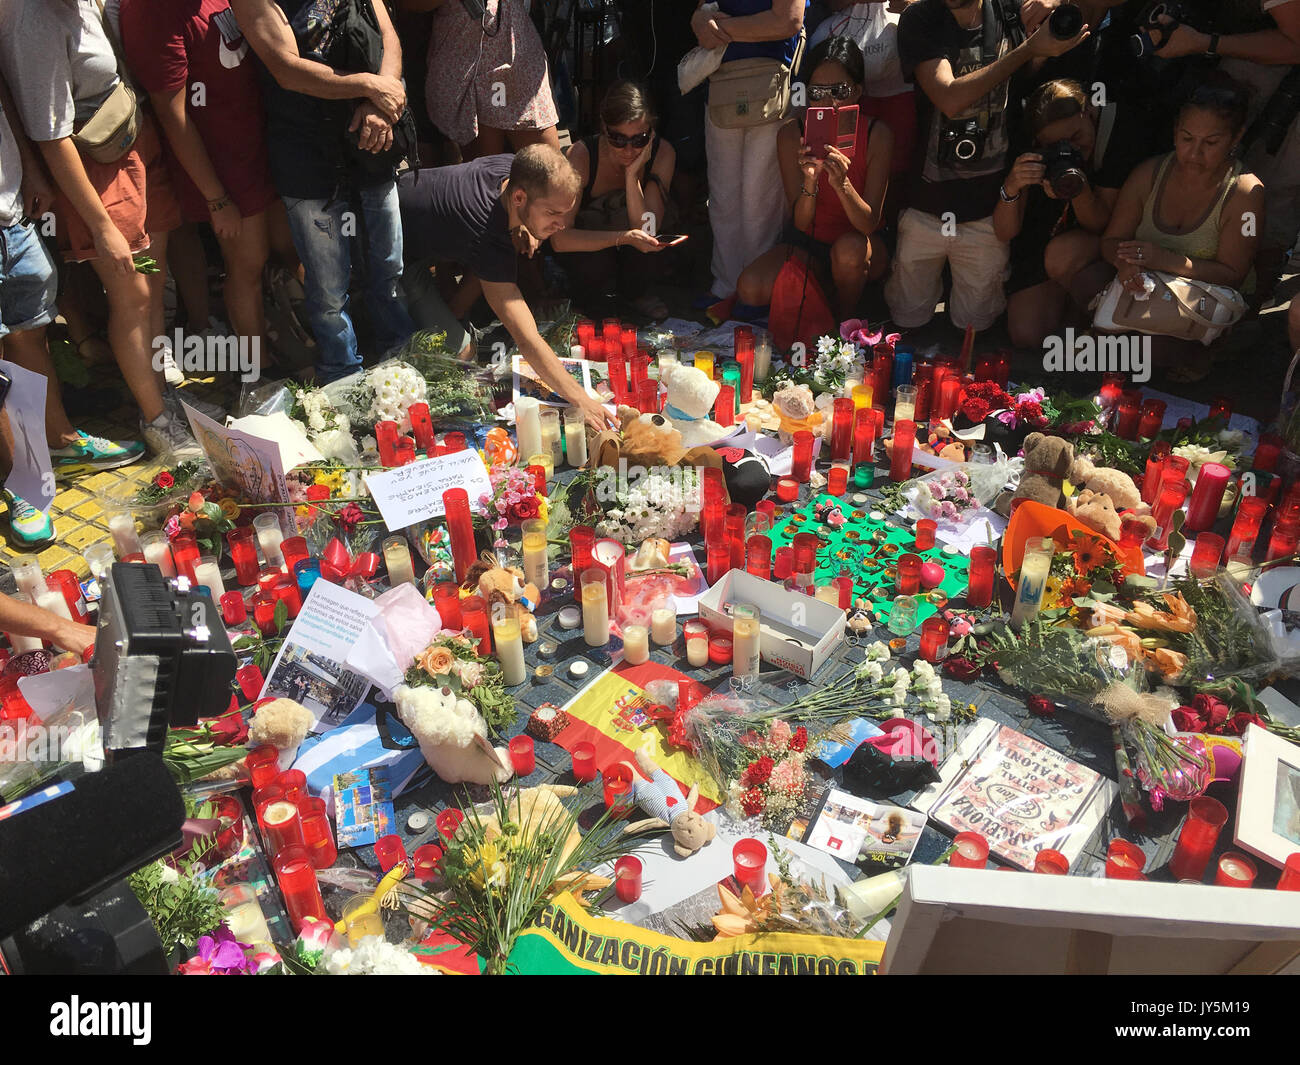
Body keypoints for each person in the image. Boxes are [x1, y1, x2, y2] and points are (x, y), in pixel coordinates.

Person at [0, 0, 202, 460]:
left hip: (121, 155)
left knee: (147, 291)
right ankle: (156, 421)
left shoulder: (75, 5)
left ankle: (163, 401)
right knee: (132, 298)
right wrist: (101, 225)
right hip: (92, 175)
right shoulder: (33, 20)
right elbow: (51, 134)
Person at [398, 144, 660, 432]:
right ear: (520, 197)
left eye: (565, 213)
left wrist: (523, 226)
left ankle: (448, 314)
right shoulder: (485, 228)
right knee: (462, 351)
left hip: (417, 217)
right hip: (391, 257)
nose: (561, 225)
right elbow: (526, 337)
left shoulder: (514, 171)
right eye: (552, 214)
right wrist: (580, 398)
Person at [233, 0, 415, 384]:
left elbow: (390, 39)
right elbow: (287, 71)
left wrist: (379, 104)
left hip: (372, 144)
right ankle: (344, 377)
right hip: (307, 156)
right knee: (329, 288)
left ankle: (402, 363)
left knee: (389, 268)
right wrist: (370, 85)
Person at [0, 73, 144, 547]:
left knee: (28, 332)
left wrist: (29, 166)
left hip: (9, 211)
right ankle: (22, 482)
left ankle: (58, 442)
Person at [119, 0, 299, 377]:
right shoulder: (151, 11)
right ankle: (258, 373)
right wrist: (216, 198)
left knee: (284, 251)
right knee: (247, 265)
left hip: (262, 145)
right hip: (223, 166)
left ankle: (290, 342)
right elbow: (172, 113)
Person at [882, 0, 1085, 332]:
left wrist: (1056, 7)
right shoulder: (921, 16)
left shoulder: (1010, 10)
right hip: (925, 205)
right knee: (906, 320)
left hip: (987, 209)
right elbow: (949, 97)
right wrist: (1027, 49)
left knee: (975, 329)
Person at [1099, 77, 1265, 380]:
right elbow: (1111, 240)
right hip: (1146, 289)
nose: (1194, 153)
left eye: (1210, 143)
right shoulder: (1149, 173)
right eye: (1187, 138)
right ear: (1175, 130)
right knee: (1085, 281)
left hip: (1202, 299)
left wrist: (1165, 260)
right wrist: (1124, 263)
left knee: (1140, 353)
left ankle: (1204, 351)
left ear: (1236, 138)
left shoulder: (1246, 193)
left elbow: (1234, 274)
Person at [1146, 0, 1300, 300]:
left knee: (1271, 194)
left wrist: (1205, 42)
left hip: (1277, 79)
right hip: (1220, 65)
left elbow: (1297, 43)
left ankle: (1251, 306)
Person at [735, 35, 893, 317]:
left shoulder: (877, 134)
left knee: (848, 253)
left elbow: (868, 224)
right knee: (750, 286)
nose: (830, 101)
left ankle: (842, 325)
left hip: (861, 244)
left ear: (858, 90)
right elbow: (800, 222)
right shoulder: (792, 133)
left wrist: (842, 184)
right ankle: (819, 306)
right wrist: (810, 181)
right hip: (810, 243)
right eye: (818, 92)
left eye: (840, 90)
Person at [995, 78, 1133, 348]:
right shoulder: (1031, 151)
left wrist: (1077, 189)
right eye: (1057, 145)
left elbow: (1100, 223)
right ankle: (1071, 313)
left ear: (1089, 112)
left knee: (1063, 253)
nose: (1070, 149)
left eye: (1076, 137)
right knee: (1027, 334)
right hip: (1046, 242)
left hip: (1103, 244)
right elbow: (1004, 231)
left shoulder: (1117, 133)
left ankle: (1102, 328)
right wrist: (1012, 186)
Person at [696, 0, 809, 310]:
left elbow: (787, 21)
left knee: (761, 199)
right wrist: (703, 22)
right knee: (724, 196)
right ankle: (725, 287)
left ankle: (756, 293)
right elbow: (701, 15)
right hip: (722, 86)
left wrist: (719, 28)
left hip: (774, 86)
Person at [557, 81, 679, 319]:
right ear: (604, 128)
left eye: (639, 139)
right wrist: (622, 238)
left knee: (650, 249)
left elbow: (648, 230)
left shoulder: (662, 153)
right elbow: (560, 239)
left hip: (633, 252)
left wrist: (632, 176)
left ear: (651, 132)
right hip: (592, 249)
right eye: (618, 139)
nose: (629, 149)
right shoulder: (582, 154)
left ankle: (636, 294)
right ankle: (590, 300)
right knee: (595, 263)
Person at [402, 0, 561, 160]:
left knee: (551, 170)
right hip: (470, 70)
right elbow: (411, 5)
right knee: (487, 175)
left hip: (520, 66)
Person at [807, 1, 917, 213]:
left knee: (896, 171)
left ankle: (886, 230)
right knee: (840, 165)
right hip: (847, 97)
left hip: (897, 96)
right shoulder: (793, 132)